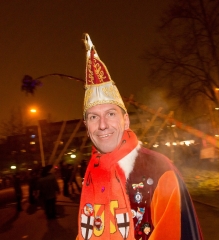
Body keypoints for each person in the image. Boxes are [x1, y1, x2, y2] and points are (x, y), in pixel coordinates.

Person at [76, 34, 203, 239]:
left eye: (110, 114)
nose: (102, 125)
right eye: (93, 117)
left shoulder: (159, 170)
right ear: (86, 126)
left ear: (126, 120)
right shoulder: (92, 173)